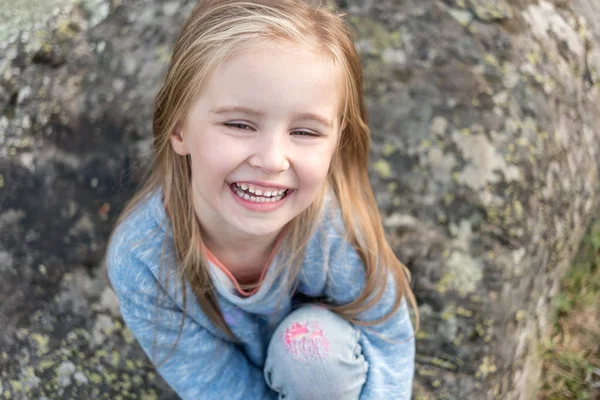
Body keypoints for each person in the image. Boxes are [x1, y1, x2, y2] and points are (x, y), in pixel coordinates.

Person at [105, 0, 417, 399]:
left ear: (336, 141)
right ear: (179, 126)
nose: (271, 160)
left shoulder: (330, 230)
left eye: (305, 132)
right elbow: (212, 384)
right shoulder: (142, 259)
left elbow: (385, 332)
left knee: (311, 356)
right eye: (239, 124)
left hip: (320, 372)